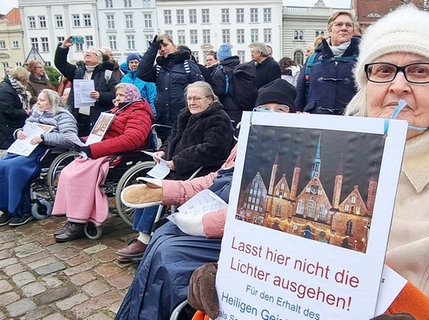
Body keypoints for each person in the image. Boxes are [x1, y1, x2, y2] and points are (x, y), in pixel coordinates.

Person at [191, 6, 429, 320]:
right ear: (366, 81)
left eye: (420, 71)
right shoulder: (336, 142)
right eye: (383, 70)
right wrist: (237, 283)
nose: (399, 86)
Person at [114, 79, 297, 320]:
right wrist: (166, 188)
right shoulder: (248, 138)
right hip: (211, 189)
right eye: (264, 109)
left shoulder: (293, 149)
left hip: (241, 226)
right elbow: (219, 175)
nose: (272, 115)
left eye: (281, 109)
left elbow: (268, 206)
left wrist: (204, 222)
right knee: (161, 233)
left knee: (170, 255)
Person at [116, 81, 234, 262]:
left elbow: (212, 149)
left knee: (157, 189)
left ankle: (144, 239)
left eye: (196, 98)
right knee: (147, 182)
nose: (192, 102)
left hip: (200, 169)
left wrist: (177, 162)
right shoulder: (185, 114)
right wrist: (162, 150)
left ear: (209, 100)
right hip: (173, 164)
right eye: (189, 98)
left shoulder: (218, 118)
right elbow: (173, 137)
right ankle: (142, 234)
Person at [51, 83, 153, 242]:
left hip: (120, 154)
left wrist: (95, 149)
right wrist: (82, 142)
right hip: (103, 150)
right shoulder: (118, 110)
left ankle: (78, 221)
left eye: (120, 95)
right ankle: (73, 216)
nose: (116, 98)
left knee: (78, 177)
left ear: (131, 96)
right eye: (117, 95)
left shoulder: (139, 112)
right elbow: (101, 134)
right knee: (66, 172)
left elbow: (132, 139)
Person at [0, 89, 77, 226]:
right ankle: (7, 208)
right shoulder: (36, 113)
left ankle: (23, 209)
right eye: (38, 100)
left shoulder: (63, 115)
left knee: (15, 168)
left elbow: (70, 138)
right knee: (2, 165)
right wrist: (18, 132)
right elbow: (24, 129)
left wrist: (44, 137)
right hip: (26, 148)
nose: (38, 103)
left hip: (46, 151)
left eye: (42, 100)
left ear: (51, 102)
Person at [137, 35, 204, 140]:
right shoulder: (159, 68)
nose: (163, 49)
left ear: (174, 45)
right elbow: (142, 73)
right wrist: (152, 49)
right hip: (164, 121)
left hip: (185, 120)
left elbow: (201, 89)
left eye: (165, 45)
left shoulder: (187, 64)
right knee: (166, 152)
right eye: (159, 48)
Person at [295, 10, 359, 115]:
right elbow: (300, 92)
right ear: (330, 30)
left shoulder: (362, 58)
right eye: (338, 24)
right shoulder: (313, 58)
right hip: (316, 122)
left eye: (349, 25)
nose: (344, 28)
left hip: (351, 123)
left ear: (352, 30)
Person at [54, 38, 118, 136]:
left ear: (99, 60)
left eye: (92, 53)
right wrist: (63, 48)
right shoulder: (77, 72)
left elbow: (115, 95)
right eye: (86, 52)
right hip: (77, 117)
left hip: (97, 118)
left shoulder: (107, 74)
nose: (88, 53)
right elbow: (60, 64)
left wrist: (100, 95)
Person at [0, 67, 32, 155]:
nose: (28, 82)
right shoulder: (5, 90)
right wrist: (24, 112)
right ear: (22, 79)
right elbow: (7, 110)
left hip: (11, 125)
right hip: (6, 126)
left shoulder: (13, 87)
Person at [210, 45, 243, 124]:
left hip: (227, 107)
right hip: (242, 104)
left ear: (219, 57)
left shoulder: (220, 71)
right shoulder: (240, 68)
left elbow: (219, 92)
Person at [120, 53, 157, 117]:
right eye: (131, 62)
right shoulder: (124, 79)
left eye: (136, 62)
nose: (134, 64)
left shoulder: (146, 77)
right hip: (127, 113)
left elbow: (152, 96)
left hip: (143, 111)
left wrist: (153, 114)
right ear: (128, 64)